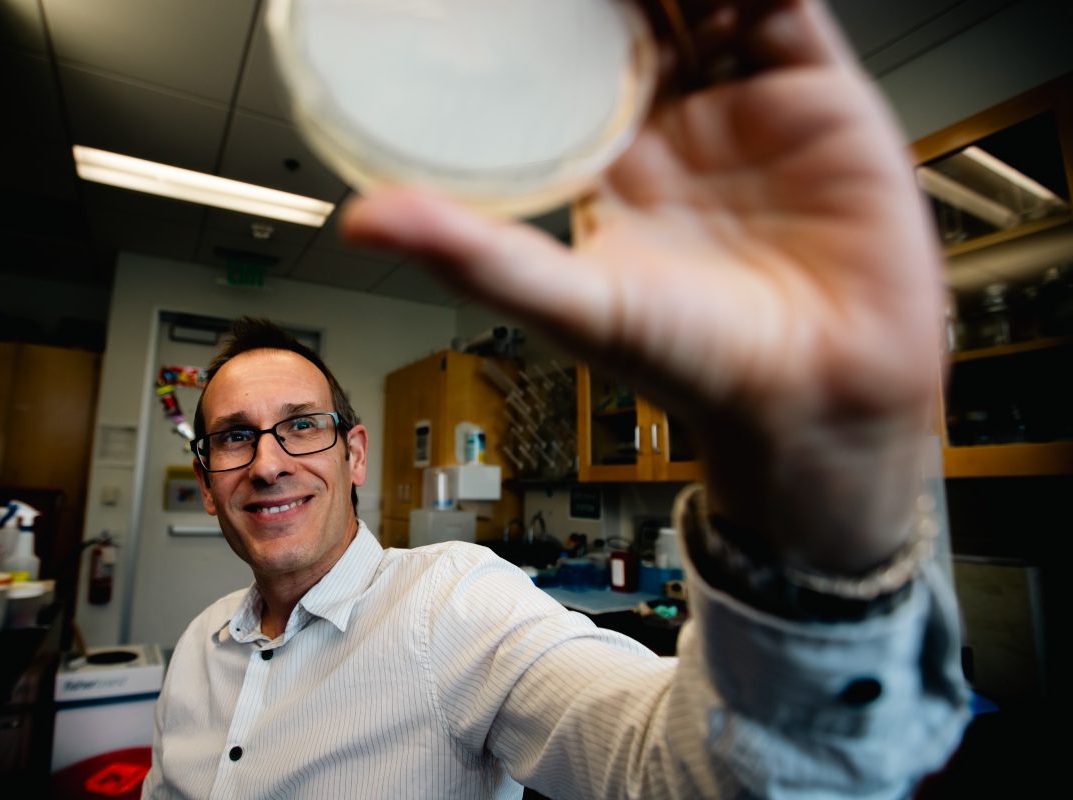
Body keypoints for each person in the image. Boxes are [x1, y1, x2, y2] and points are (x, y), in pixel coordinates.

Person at [142, 1, 969, 797]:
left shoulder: (453, 607)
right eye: (233, 439)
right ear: (208, 479)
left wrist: (818, 489)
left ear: (355, 453)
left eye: (301, 427)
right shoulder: (195, 653)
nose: (269, 462)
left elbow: (697, 779)